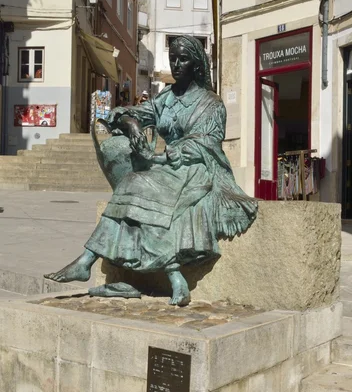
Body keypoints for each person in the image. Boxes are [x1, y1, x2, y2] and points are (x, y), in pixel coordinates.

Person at [45, 36, 257, 306]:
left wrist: (163, 156)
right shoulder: (165, 99)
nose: (177, 64)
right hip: (166, 167)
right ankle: (158, 274)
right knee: (135, 183)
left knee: (139, 186)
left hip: (197, 168)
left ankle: (97, 263)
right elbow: (123, 113)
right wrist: (132, 122)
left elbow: (207, 142)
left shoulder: (211, 103)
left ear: (197, 65)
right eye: (173, 59)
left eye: (183, 59)